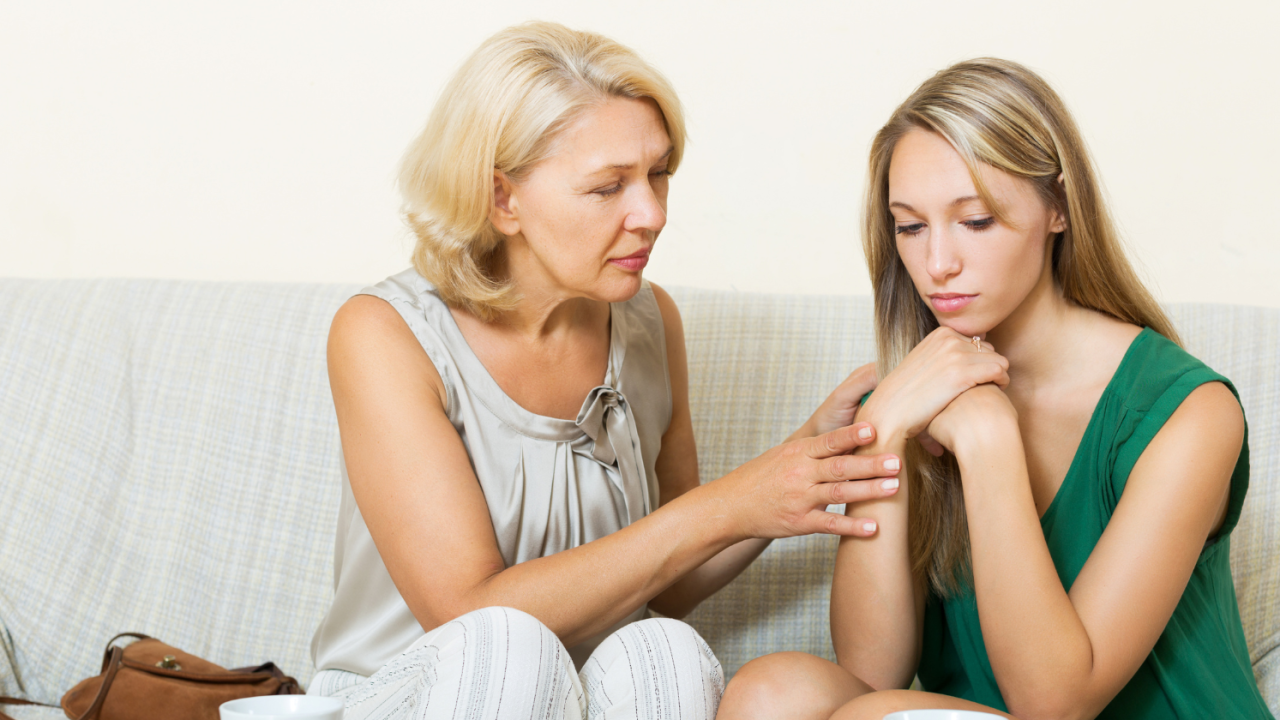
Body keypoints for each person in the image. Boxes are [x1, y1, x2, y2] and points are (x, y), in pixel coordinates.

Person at [305, 22, 903, 720]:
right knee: (509, 647)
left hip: (578, 704)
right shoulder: (384, 334)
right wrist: (726, 502)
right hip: (411, 696)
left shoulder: (649, 322)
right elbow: (468, 615)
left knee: (663, 646)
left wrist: (801, 462)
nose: (651, 214)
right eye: (607, 187)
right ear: (502, 200)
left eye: (658, 174)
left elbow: (669, 584)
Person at [718, 58, 1273, 719]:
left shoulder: (1187, 413)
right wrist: (885, 430)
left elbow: (1056, 704)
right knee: (772, 691)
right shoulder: (911, 395)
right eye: (911, 226)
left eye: (976, 221)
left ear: (1058, 207)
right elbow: (871, 670)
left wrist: (988, 441)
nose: (937, 263)